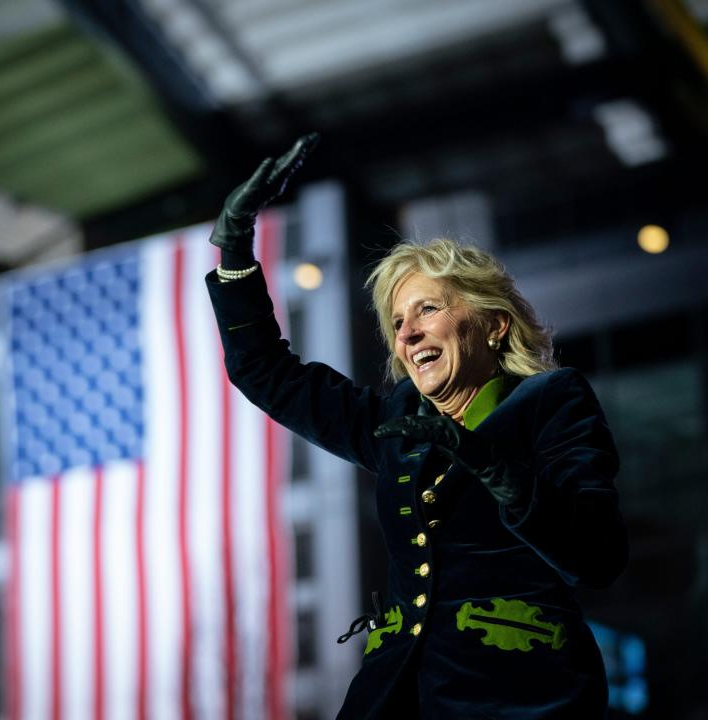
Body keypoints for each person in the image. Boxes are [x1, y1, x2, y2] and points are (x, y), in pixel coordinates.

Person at [206, 134, 629, 719]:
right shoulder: (396, 428)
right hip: (399, 692)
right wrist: (234, 252)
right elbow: (265, 370)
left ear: (494, 326)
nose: (405, 334)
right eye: (398, 321)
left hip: (519, 693)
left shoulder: (552, 400)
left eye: (428, 309)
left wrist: (500, 473)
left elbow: (597, 557)